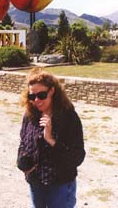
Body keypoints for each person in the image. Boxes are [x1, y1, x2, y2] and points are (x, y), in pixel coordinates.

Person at [17, 68, 85, 208]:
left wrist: (50, 139)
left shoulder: (68, 117)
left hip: (60, 184)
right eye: (32, 96)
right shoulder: (30, 115)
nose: (36, 100)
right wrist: (22, 163)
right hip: (36, 183)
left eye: (42, 95)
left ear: (52, 91)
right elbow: (23, 142)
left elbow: (77, 157)